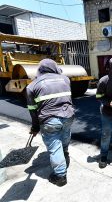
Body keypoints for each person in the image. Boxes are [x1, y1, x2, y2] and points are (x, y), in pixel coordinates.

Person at [26, 59, 74, 187]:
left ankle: (60, 176)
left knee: (54, 147)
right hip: (69, 115)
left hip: (49, 120)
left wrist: (35, 128)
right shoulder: (65, 79)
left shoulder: (32, 86)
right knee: (64, 136)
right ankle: (65, 153)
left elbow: (33, 111)